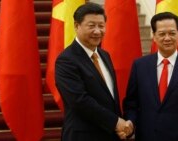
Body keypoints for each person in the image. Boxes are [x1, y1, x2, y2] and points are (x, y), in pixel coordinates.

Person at [123, 12, 178, 141]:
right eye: (162, 34)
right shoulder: (139, 66)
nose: (167, 38)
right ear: (154, 36)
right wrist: (130, 121)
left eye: (172, 33)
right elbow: (131, 103)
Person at [55, 3, 132, 141]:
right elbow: (80, 101)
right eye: (91, 26)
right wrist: (116, 122)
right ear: (77, 26)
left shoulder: (104, 55)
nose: (97, 31)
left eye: (101, 26)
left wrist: (121, 126)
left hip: (109, 134)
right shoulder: (66, 60)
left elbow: (110, 98)